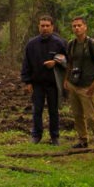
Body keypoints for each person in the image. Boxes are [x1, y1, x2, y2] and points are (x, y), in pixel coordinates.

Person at [21, 15, 68, 145]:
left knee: (54, 111)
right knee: (37, 110)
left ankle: (55, 136)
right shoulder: (31, 44)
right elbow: (26, 63)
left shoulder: (60, 43)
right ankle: (36, 135)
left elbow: (67, 60)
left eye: (47, 26)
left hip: (53, 83)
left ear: (52, 27)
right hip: (37, 83)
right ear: (38, 27)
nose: (45, 28)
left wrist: (55, 62)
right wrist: (27, 81)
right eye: (42, 26)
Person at [64, 16, 94, 148]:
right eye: (74, 26)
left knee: (91, 116)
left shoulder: (92, 44)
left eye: (79, 25)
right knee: (77, 115)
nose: (77, 28)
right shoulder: (71, 44)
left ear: (85, 27)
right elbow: (70, 63)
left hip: (87, 85)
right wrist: (66, 79)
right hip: (74, 83)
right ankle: (83, 140)